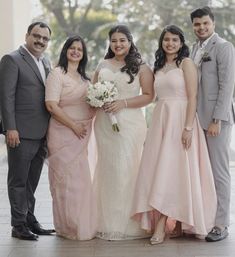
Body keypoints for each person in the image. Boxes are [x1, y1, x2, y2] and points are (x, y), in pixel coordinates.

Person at [132, 25, 217, 245]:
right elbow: (150, 95)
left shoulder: (186, 64)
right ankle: (176, 224)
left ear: (181, 43)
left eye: (175, 40)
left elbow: (193, 97)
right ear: (162, 42)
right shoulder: (158, 66)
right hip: (161, 119)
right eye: (166, 39)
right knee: (163, 169)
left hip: (181, 120)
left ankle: (162, 224)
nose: (170, 43)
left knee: (173, 171)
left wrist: (188, 128)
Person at [92, 24, 154, 240]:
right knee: (108, 169)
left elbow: (149, 95)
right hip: (104, 124)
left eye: (122, 40)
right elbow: (92, 91)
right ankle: (106, 221)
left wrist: (123, 103)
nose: (118, 44)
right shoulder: (102, 65)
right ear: (110, 43)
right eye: (114, 40)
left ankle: (129, 223)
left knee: (126, 168)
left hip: (129, 123)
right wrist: (98, 100)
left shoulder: (141, 67)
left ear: (130, 41)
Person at [0, 22, 55, 240]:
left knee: (32, 181)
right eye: (36, 36)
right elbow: (6, 97)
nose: (40, 40)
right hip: (20, 132)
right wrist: (10, 128)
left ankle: (30, 219)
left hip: (42, 132)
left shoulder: (46, 61)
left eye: (45, 38)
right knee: (18, 180)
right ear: (27, 35)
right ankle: (18, 225)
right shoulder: (12, 60)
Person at [45, 35, 97, 240]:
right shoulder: (57, 74)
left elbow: (90, 105)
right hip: (62, 132)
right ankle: (66, 226)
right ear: (65, 50)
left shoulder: (86, 79)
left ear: (83, 55)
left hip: (82, 135)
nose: (76, 51)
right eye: (72, 48)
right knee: (64, 182)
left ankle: (81, 223)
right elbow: (51, 105)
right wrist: (73, 125)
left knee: (81, 182)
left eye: (80, 49)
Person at [190, 6, 235, 242]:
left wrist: (217, 119)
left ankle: (221, 224)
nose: (201, 28)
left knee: (219, 173)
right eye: (197, 24)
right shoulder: (194, 49)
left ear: (213, 23)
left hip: (216, 120)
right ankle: (204, 218)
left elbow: (227, 87)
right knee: (202, 171)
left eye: (205, 23)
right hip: (196, 119)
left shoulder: (224, 47)